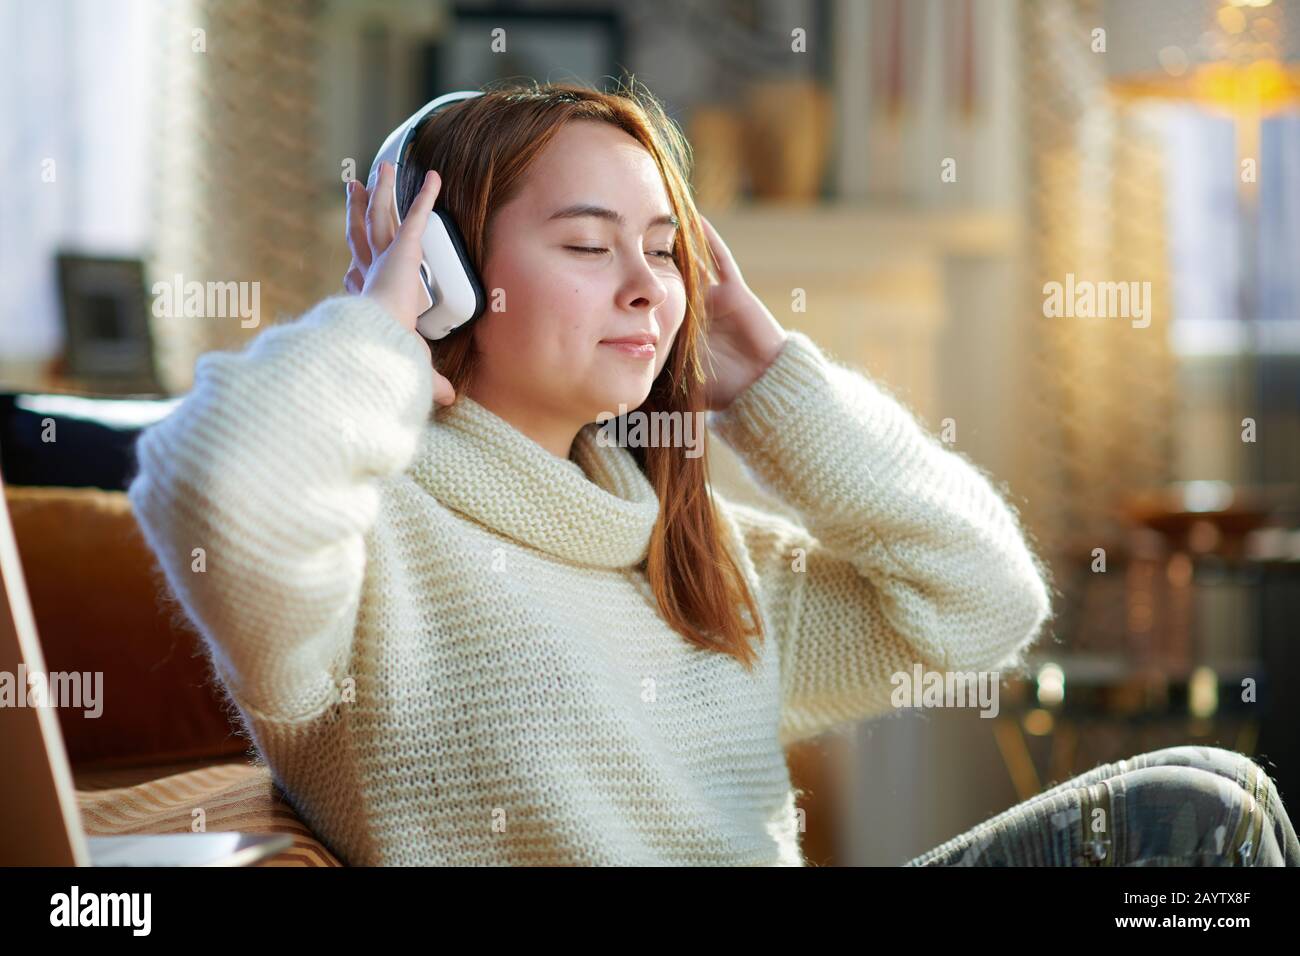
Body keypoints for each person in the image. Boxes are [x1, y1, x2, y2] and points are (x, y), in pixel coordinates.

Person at [128, 80, 1287, 867]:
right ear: (444, 272)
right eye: (587, 244)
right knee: (1186, 817)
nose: (644, 283)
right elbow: (221, 487)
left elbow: (987, 602)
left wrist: (774, 382)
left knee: (1209, 791)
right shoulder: (362, 545)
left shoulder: (688, 542)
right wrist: (379, 331)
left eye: (661, 246)